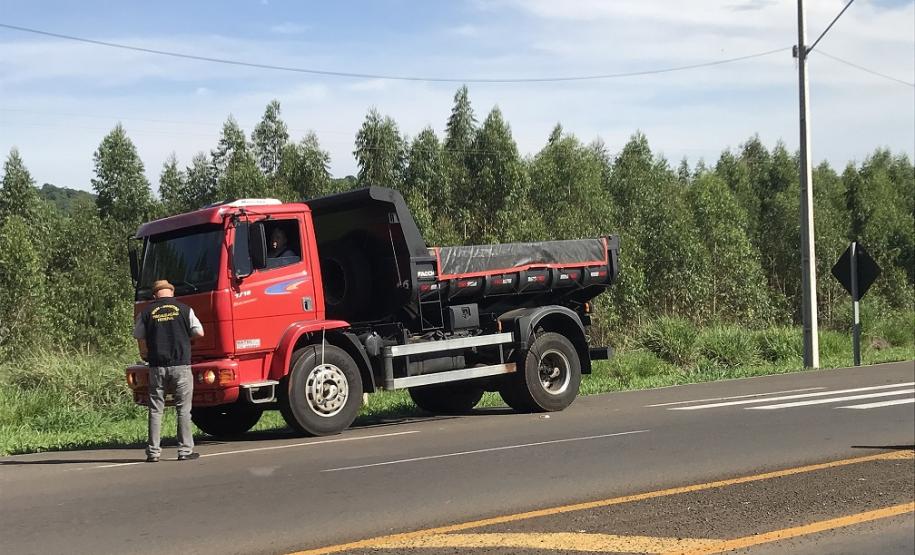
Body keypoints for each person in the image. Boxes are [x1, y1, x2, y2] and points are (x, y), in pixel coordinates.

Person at [133, 279, 205, 462]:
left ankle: (153, 453)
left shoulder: (146, 312)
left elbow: (138, 335)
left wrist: (147, 348)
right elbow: (199, 332)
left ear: (155, 295)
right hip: (181, 365)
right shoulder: (184, 309)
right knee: (183, 409)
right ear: (172, 293)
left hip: (157, 366)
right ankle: (184, 451)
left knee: (156, 409)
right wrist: (185, 336)